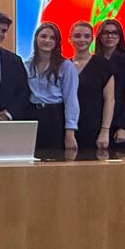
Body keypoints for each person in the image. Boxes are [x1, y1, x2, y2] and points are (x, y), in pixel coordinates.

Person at [24, 21, 78, 152]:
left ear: (57, 42)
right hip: (31, 115)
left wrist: (70, 131)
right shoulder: (27, 65)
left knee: (54, 157)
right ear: (36, 38)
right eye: (43, 36)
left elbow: (71, 99)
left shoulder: (66, 66)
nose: (47, 40)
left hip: (54, 116)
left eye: (52, 38)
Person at [69, 21, 114, 150]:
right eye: (77, 36)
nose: (82, 39)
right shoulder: (64, 65)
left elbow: (109, 100)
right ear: (70, 39)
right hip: (68, 128)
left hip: (94, 127)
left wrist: (105, 131)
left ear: (92, 39)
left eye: (86, 36)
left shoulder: (104, 65)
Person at [92, 19, 125, 146]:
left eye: (114, 33)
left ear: (120, 36)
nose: (109, 36)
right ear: (99, 36)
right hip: (95, 121)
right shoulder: (93, 61)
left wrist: (124, 126)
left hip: (118, 124)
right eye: (105, 33)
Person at [0, 11, 29, 122]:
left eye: (4, 31)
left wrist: (8, 114)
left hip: (8, 121)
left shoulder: (15, 60)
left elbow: (23, 92)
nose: (0, 34)